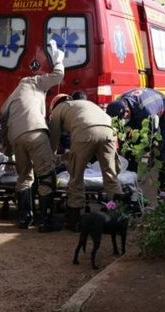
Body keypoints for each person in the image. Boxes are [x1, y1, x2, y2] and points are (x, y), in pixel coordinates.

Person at [0, 40, 65, 232]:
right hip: (35, 132)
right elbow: (58, 76)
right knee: (45, 174)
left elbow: (3, 117)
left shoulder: (13, 95)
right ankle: (45, 220)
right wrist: (58, 59)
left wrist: (7, 147)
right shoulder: (33, 81)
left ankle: (24, 218)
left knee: (24, 176)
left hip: (16, 137)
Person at [49, 95, 123, 231]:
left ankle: (75, 220)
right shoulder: (85, 104)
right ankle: (117, 218)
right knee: (111, 176)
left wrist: (51, 156)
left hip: (85, 131)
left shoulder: (58, 110)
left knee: (76, 177)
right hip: (109, 130)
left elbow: (54, 138)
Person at [106, 88, 165, 193]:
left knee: (164, 155)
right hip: (139, 112)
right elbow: (121, 135)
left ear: (126, 111)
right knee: (129, 154)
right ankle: (130, 190)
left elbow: (151, 137)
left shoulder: (146, 110)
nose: (123, 121)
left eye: (123, 118)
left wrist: (151, 154)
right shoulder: (119, 103)